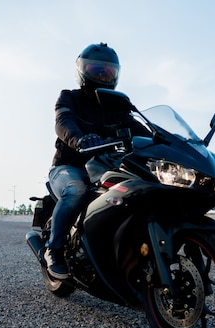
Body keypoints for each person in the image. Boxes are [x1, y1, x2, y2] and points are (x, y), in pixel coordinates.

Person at [44, 42, 149, 280]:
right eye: (95, 69)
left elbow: (140, 129)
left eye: (108, 70)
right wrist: (80, 140)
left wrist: (168, 141)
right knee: (76, 190)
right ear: (82, 71)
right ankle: (55, 250)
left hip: (106, 165)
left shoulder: (118, 105)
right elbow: (63, 122)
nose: (102, 74)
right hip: (69, 167)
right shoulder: (70, 98)